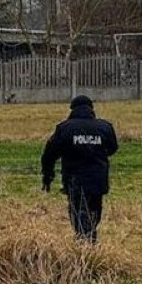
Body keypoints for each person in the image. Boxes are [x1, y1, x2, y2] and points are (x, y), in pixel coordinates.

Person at [40, 94, 119, 244]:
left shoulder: (65, 128)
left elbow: (49, 154)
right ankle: (88, 242)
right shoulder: (105, 127)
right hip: (98, 181)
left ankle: (85, 244)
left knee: (78, 214)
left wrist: (48, 176)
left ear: (72, 109)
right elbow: (113, 148)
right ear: (91, 109)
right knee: (94, 213)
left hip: (74, 181)